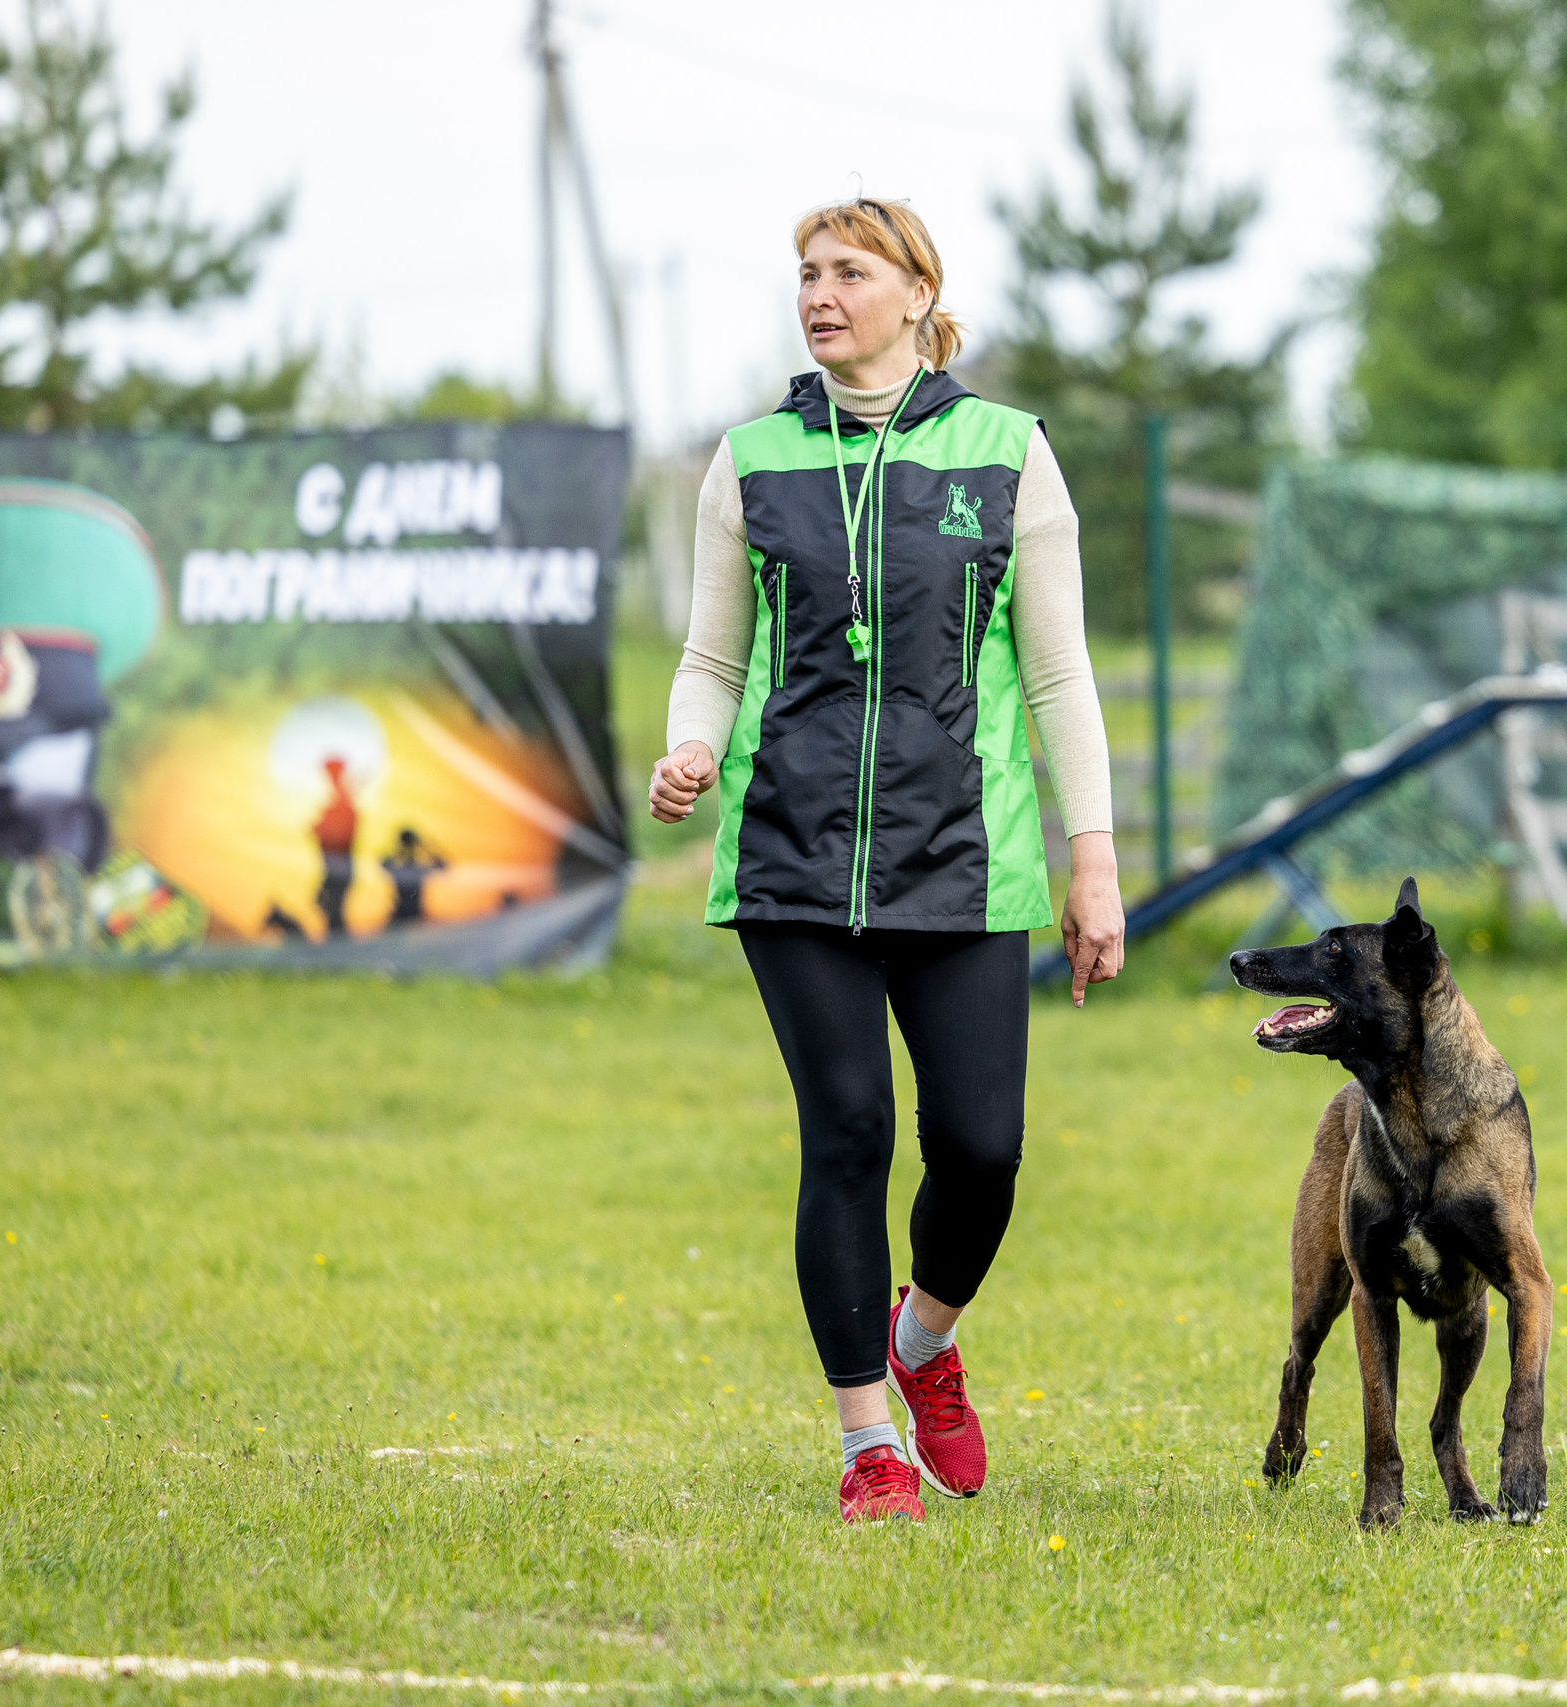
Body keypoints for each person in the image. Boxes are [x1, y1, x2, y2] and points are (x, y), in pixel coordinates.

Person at [648, 197, 1124, 1525]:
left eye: (849, 270)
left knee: (981, 1147)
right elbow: (712, 657)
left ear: (919, 292)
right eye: (805, 272)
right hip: (790, 854)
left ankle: (924, 1345)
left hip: (967, 857)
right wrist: (690, 747)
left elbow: (1060, 673)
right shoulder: (747, 460)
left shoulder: (1009, 454)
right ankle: (869, 1441)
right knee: (847, 1126)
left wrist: (1094, 862)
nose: (819, 291)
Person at [311, 756, 357, 939]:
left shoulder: (342, 798)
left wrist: (321, 827)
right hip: (333, 865)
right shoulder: (340, 797)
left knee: (332, 910)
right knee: (328, 906)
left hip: (338, 865)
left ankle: (341, 953)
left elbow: (341, 831)